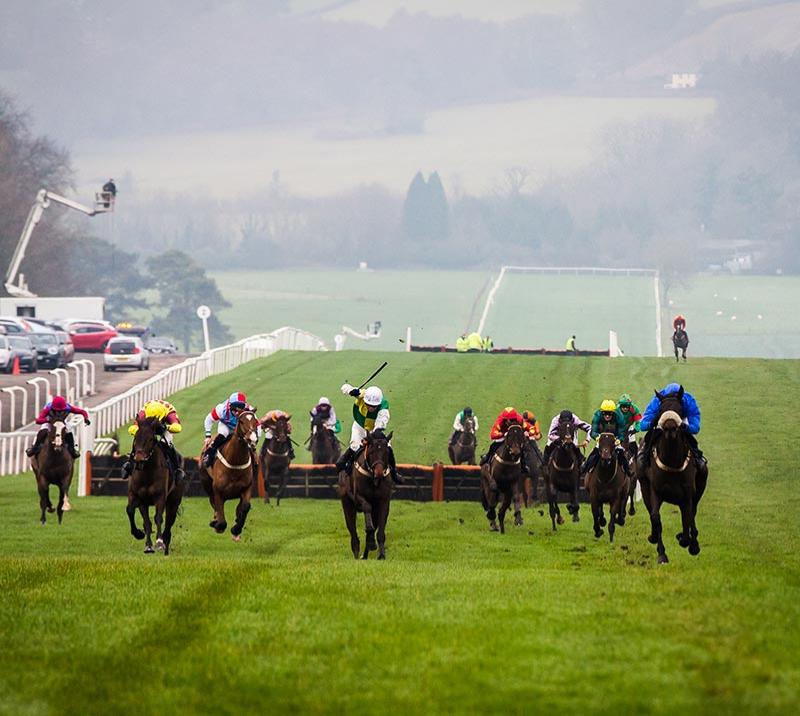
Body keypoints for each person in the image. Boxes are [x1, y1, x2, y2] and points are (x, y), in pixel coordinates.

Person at [335, 383, 400, 483]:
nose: (371, 408)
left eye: (374, 406)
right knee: (355, 446)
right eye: (369, 405)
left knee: (388, 448)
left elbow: (378, 429)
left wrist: (368, 440)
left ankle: (394, 473)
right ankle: (344, 464)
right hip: (359, 427)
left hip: (375, 431)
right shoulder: (363, 394)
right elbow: (344, 387)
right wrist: (352, 391)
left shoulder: (383, 410)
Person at [637, 383, 705, 472]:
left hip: (680, 420)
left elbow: (695, 428)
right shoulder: (657, 401)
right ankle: (644, 456)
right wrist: (651, 423)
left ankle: (697, 458)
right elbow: (642, 425)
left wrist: (686, 427)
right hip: (662, 420)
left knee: (691, 439)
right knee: (649, 436)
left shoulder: (688, 400)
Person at [122, 399, 185, 483]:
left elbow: (178, 428)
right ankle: (129, 463)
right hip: (147, 428)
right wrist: (138, 432)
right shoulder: (143, 413)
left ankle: (177, 469)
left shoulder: (169, 412)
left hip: (163, 428)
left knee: (166, 443)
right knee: (139, 439)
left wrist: (166, 427)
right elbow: (131, 428)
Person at [26, 395, 90, 459]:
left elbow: (82, 412)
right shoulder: (48, 408)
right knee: (42, 432)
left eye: (61, 410)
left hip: (62, 423)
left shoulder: (68, 407)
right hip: (49, 422)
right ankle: (34, 448)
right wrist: (48, 420)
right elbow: (38, 420)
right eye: (57, 410)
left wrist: (86, 418)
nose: (59, 412)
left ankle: (72, 450)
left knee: (69, 433)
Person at [202, 391, 253, 467]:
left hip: (240, 428)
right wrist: (208, 436)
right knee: (223, 433)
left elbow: (257, 425)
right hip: (226, 426)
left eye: (240, 407)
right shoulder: (221, 409)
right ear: (229, 406)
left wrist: (255, 437)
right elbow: (209, 419)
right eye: (235, 408)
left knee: (250, 444)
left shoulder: (249, 410)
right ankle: (210, 454)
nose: (237, 412)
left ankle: (255, 464)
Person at [580, 399, 631, 477]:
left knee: (621, 453)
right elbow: (593, 431)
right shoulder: (597, 416)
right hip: (601, 439)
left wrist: (619, 439)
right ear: (601, 412)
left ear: (613, 413)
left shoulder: (619, 416)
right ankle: (585, 468)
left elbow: (622, 432)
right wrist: (597, 437)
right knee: (594, 453)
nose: (607, 416)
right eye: (605, 413)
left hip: (614, 439)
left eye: (609, 414)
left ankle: (627, 471)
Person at [480, 406, 530, 475]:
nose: (510, 422)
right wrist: (503, 434)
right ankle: (487, 458)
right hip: (504, 434)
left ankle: (523, 465)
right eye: (509, 420)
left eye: (513, 420)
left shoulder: (520, 419)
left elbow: (528, 427)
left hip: (515, 435)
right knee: (493, 445)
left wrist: (527, 432)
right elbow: (493, 434)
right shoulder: (499, 421)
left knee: (522, 447)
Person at [617, 393, 642, 457]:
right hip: (618, 428)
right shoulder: (616, 410)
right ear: (620, 405)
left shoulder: (634, 409)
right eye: (623, 406)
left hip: (629, 427)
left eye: (627, 407)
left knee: (634, 447)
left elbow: (638, 422)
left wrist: (635, 430)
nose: (625, 408)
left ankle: (636, 460)